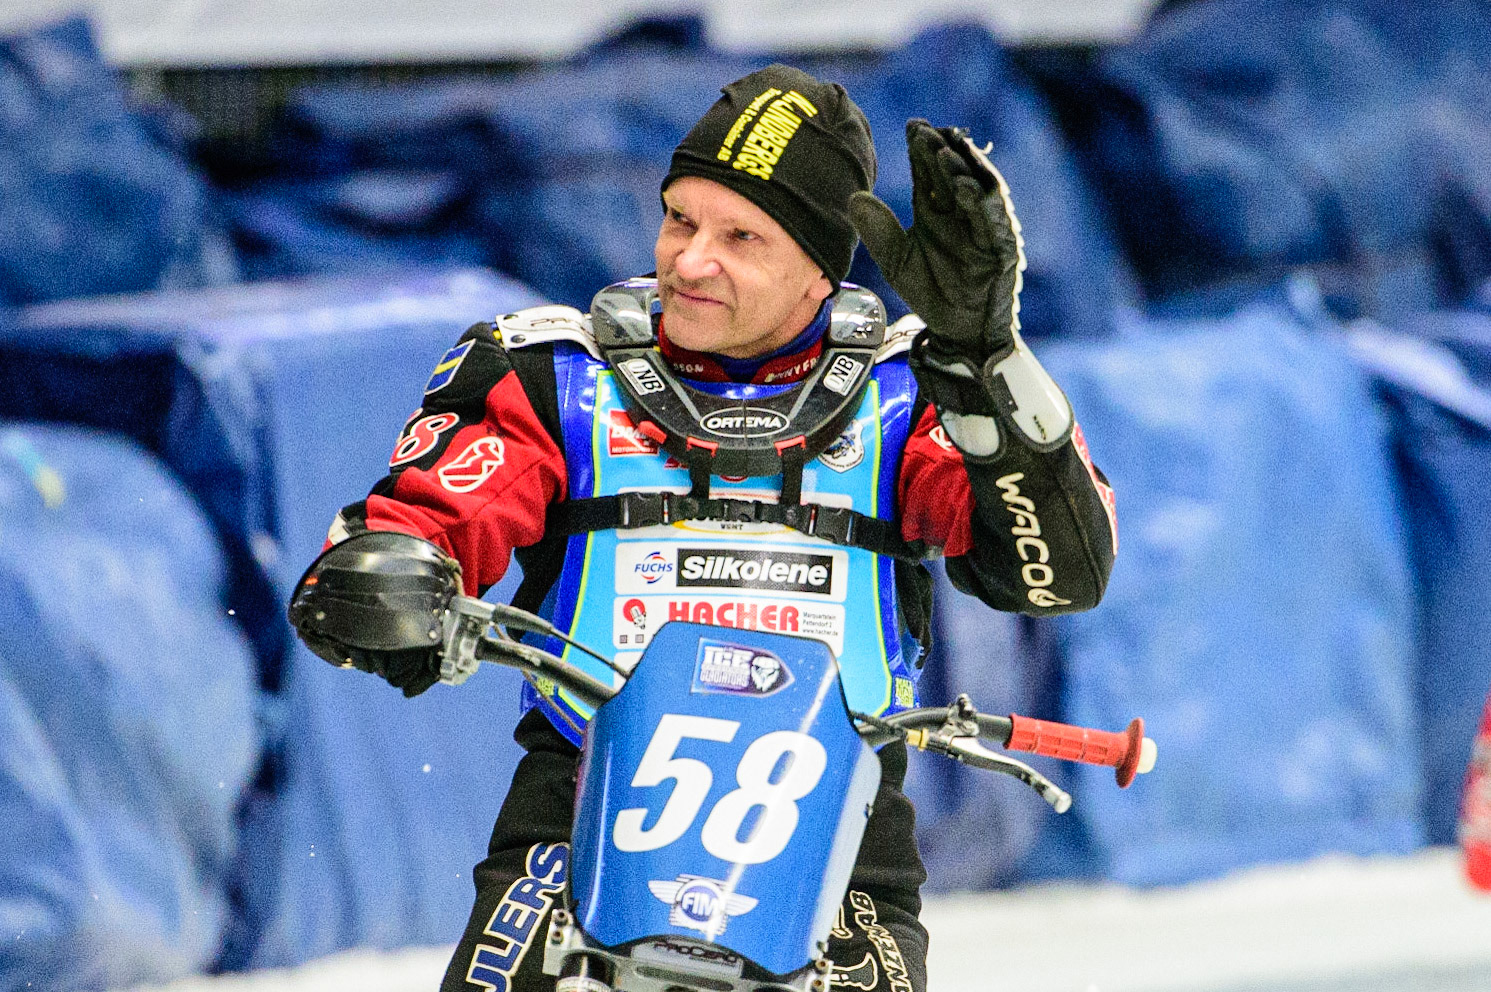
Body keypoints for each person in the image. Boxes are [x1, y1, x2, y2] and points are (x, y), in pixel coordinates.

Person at [290, 64, 1118, 992]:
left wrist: (984, 360)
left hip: (838, 839)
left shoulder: (912, 393)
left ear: (818, 268)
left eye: (740, 237)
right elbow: (418, 520)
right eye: (680, 219)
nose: (688, 260)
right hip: (572, 815)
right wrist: (393, 574)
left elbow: (1059, 573)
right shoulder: (556, 375)